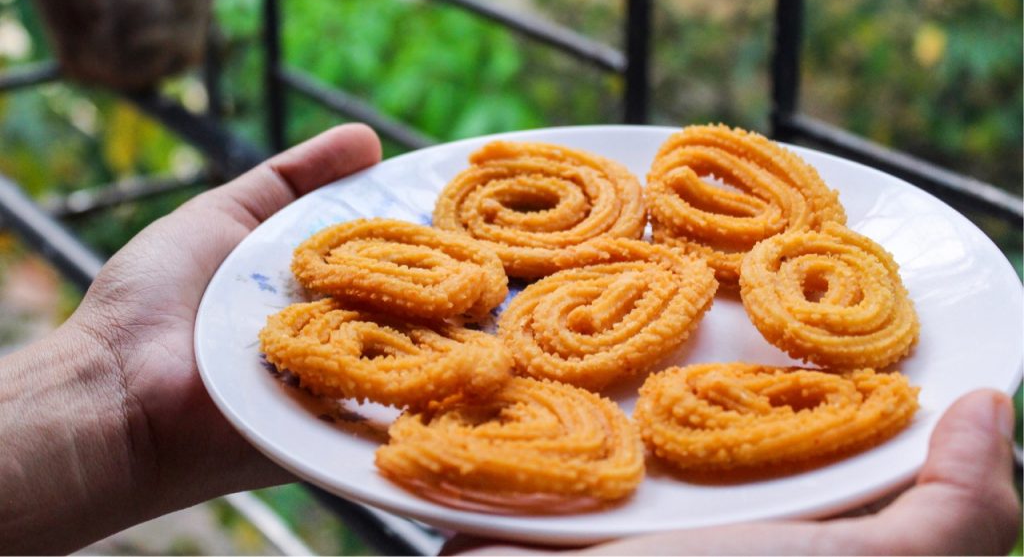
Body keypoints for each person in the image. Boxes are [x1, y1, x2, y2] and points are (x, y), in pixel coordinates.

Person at [0, 125, 1019, 555]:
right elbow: (472, 344)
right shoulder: (489, 309)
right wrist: (113, 396)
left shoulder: (791, 275)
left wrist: (114, 403)